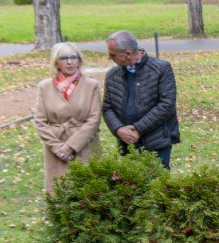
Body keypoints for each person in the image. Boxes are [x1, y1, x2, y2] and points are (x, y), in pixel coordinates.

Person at [102, 31, 180, 169]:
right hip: (127, 144)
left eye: (113, 54)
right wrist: (118, 129)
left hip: (156, 142)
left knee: (157, 187)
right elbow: (107, 107)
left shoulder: (160, 69)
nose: (109, 58)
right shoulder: (112, 75)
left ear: (127, 53)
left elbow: (166, 105)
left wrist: (138, 129)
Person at [33, 42, 102, 193]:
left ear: (79, 60)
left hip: (85, 146)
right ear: (56, 62)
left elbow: (94, 120)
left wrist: (70, 146)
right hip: (56, 149)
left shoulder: (92, 85)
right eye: (64, 58)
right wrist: (57, 147)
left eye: (73, 57)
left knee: (89, 192)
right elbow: (40, 121)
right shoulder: (44, 87)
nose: (70, 62)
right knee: (60, 192)